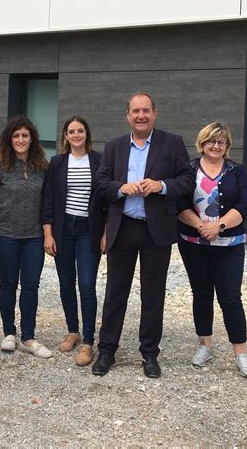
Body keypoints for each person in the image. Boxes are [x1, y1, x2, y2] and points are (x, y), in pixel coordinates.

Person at [92, 92, 194, 378]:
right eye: (135, 111)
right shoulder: (113, 147)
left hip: (155, 230)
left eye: (146, 111)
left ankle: (149, 353)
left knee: (153, 294)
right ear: (128, 115)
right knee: (115, 292)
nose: (141, 116)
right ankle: (107, 350)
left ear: (154, 113)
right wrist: (120, 188)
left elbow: (187, 180)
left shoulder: (171, 143)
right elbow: (101, 183)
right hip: (122, 227)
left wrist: (161, 185)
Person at [177, 123, 247, 378]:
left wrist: (218, 226)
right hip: (193, 243)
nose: (216, 146)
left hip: (229, 245)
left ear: (227, 146)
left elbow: (244, 204)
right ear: (202, 143)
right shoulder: (188, 169)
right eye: (211, 141)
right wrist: (201, 225)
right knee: (201, 294)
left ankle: (240, 353)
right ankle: (205, 345)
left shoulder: (237, 171)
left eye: (221, 142)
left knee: (231, 298)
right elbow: (179, 203)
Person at [42, 116, 106, 366]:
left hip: (89, 229)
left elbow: (107, 200)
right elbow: (48, 200)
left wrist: (105, 232)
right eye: (72, 131)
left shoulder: (99, 161)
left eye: (80, 130)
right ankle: (73, 331)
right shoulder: (57, 162)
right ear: (65, 136)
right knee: (66, 282)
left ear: (86, 134)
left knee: (87, 284)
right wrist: (48, 234)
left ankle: (89, 342)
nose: (76, 135)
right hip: (63, 229)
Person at [0, 115, 52, 359]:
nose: (21, 139)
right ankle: (8, 333)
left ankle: (28, 336)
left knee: (30, 285)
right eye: (16, 135)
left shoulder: (42, 167)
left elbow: (47, 201)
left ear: (32, 139)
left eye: (25, 135)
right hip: (4, 234)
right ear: (9, 139)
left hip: (34, 236)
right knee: (7, 283)